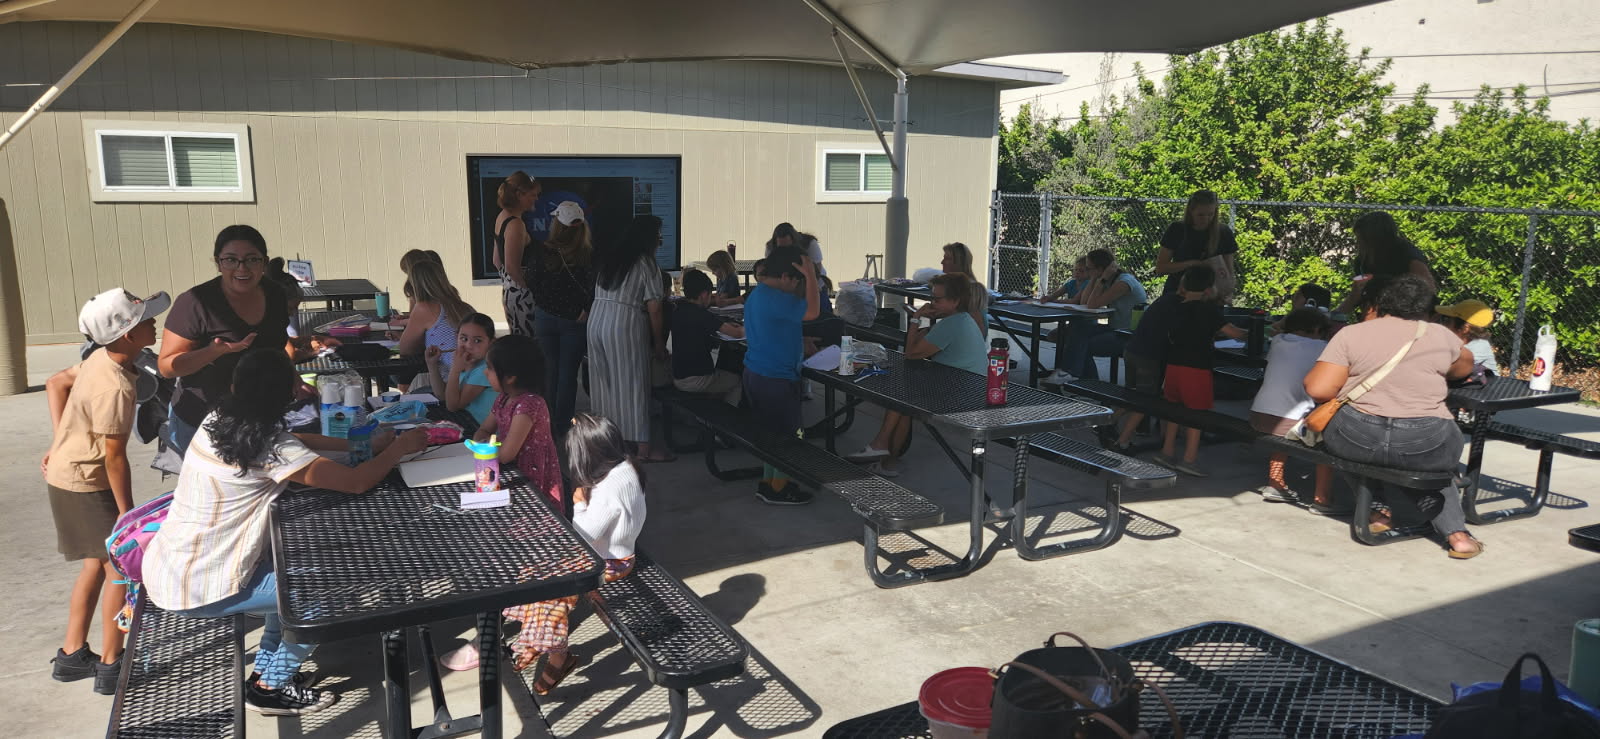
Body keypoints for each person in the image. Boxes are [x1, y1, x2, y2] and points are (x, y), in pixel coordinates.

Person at [143, 349, 428, 715]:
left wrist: (365, 444)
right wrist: (398, 449)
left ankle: (267, 673)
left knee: (290, 578)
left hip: (173, 566)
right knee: (327, 597)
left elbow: (294, 439)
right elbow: (356, 482)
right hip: (202, 585)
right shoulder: (271, 449)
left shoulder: (220, 419)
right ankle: (269, 688)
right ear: (287, 394)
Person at [442, 414, 645, 690]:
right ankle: (545, 644)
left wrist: (579, 503)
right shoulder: (624, 466)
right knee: (536, 574)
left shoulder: (609, 489)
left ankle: (553, 652)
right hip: (606, 553)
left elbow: (583, 537)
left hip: (610, 562)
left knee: (551, 589)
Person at [40, 288, 170, 694]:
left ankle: (72, 654)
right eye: (146, 320)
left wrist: (60, 441)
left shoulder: (100, 358)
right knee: (119, 569)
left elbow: (55, 383)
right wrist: (128, 515)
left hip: (70, 476)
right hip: (86, 483)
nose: (154, 323)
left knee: (95, 565)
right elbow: (114, 458)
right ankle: (113, 664)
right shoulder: (115, 386)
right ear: (128, 334)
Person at [1305, 274, 1483, 559]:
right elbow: (1464, 368)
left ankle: (1377, 510)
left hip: (1358, 436)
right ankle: (1457, 534)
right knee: (1434, 466)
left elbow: (1318, 389)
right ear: (1428, 310)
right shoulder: (1441, 335)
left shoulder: (1352, 333)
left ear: (1380, 303)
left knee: (1334, 438)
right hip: (1424, 437)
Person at [160, 225, 296, 456]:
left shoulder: (274, 294)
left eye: (252, 259)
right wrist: (213, 352)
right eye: (231, 260)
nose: (242, 268)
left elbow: (277, 346)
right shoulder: (194, 303)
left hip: (260, 415)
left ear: (264, 262)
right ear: (218, 262)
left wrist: (293, 379)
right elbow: (166, 367)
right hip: (202, 419)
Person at [846, 274, 988, 477]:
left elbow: (911, 353)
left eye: (937, 299)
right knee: (904, 401)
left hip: (962, 396)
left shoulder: (951, 324)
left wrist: (915, 319)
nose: (932, 303)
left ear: (955, 301)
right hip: (966, 388)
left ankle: (881, 445)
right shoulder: (960, 319)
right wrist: (923, 320)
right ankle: (887, 459)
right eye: (931, 298)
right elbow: (921, 344)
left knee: (901, 393)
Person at [589, 215, 673, 462]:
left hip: (596, 318)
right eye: (658, 236)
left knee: (603, 384)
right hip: (624, 322)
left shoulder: (612, 258)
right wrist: (658, 343)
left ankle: (606, 443)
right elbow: (655, 308)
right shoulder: (646, 263)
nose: (660, 241)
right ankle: (642, 449)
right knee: (633, 385)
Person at [742, 246, 820, 505]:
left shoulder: (758, 294)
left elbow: (780, 327)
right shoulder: (777, 298)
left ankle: (769, 482)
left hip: (756, 373)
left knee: (771, 435)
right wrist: (811, 275)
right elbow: (813, 311)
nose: (797, 287)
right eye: (797, 281)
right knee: (789, 437)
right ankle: (779, 488)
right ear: (786, 277)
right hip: (776, 378)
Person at [1154, 265, 1246, 477]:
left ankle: (1167, 451)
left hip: (1173, 367)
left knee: (1175, 409)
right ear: (1209, 289)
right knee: (1198, 414)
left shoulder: (1175, 307)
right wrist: (1258, 332)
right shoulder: (1208, 310)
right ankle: (1189, 459)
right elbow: (1233, 333)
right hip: (1196, 369)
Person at [1249, 307, 1336, 509]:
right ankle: (1322, 498)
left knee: (1286, 419)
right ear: (1317, 329)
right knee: (1329, 438)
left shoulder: (1278, 341)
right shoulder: (1322, 347)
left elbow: (1276, 327)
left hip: (1258, 416)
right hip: (1287, 423)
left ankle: (1276, 482)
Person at [465, 335, 564, 506]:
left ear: (510, 377)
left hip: (532, 480)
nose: (484, 372)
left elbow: (505, 454)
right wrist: (482, 442)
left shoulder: (529, 404)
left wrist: (485, 449)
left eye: (490, 368)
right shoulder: (503, 398)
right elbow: (484, 430)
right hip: (513, 471)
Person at [528, 201, 594, 437]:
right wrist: (582, 310)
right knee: (568, 375)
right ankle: (563, 426)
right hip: (575, 321)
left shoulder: (542, 251)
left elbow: (532, 283)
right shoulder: (587, 254)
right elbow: (593, 287)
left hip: (545, 317)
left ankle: (545, 424)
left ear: (556, 224)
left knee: (549, 372)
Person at [1044, 248, 1147, 384]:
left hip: (1128, 335)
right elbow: (1085, 302)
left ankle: (1079, 377)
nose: (1087, 272)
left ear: (1100, 269)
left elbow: (1092, 305)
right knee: (1075, 330)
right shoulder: (1107, 280)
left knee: (1080, 344)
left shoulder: (1123, 283)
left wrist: (1101, 279)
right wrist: (1094, 278)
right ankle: (1080, 378)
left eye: (1089, 269)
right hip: (1114, 329)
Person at [1105, 290, 1182, 452]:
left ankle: (1110, 421)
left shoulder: (1164, 300)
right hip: (1148, 357)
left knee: (1136, 395)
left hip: (1133, 350)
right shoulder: (1183, 307)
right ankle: (1122, 440)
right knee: (1146, 399)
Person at [396, 260, 475, 390]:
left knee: (397, 379)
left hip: (449, 383)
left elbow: (405, 349)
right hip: (473, 378)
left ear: (415, 285)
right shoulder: (464, 307)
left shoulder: (424, 308)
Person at [1335, 210, 1434, 314]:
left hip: (1408, 312)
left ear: (1375, 238)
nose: (1358, 244)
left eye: (1361, 239)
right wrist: (1335, 315)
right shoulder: (1362, 261)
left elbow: (1428, 290)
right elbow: (1356, 297)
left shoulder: (1407, 254)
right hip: (1374, 313)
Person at [671, 269, 744, 405]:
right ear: (704, 295)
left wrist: (726, 325)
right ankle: (727, 415)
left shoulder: (678, 309)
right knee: (737, 381)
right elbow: (738, 334)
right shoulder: (702, 315)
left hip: (678, 375)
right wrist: (750, 325)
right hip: (697, 379)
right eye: (711, 295)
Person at [1154, 190, 1239, 299]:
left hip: (1210, 296)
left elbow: (1229, 272)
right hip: (1178, 293)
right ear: (1191, 210)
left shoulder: (1224, 232)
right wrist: (1194, 263)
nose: (1206, 219)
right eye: (1200, 215)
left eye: (1210, 214)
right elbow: (1161, 268)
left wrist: (1227, 293)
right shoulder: (1177, 229)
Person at [424, 313, 498, 426]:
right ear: (456, 337)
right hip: (466, 418)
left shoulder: (485, 370)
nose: (468, 345)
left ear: (490, 343)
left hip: (477, 427)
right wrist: (432, 364)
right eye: (464, 339)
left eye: (477, 341)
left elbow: (452, 406)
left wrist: (455, 369)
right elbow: (442, 396)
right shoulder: (468, 364)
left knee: (427, 417)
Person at [493, 171, 541, 337]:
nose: (536, 199)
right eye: (533, 195)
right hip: (523, 296)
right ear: (519, 195)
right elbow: (512, 267)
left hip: (510, 292)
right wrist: (532, 291)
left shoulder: (502, 216)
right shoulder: (516, 224)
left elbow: (496, 261)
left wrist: (510, 285)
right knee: (529, 343)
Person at [1435, 299, 1499, 374]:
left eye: (1448, 321)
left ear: (1465, 328)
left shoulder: (1479, 346)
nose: (1444, 325)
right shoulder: (1457, 343)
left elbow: (1443, 368)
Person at [939, 242, 990, 327]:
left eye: (947, 259)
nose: (942, 262)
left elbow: (976, 324)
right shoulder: (953, 285)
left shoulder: (973, 288)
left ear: (959, 262)